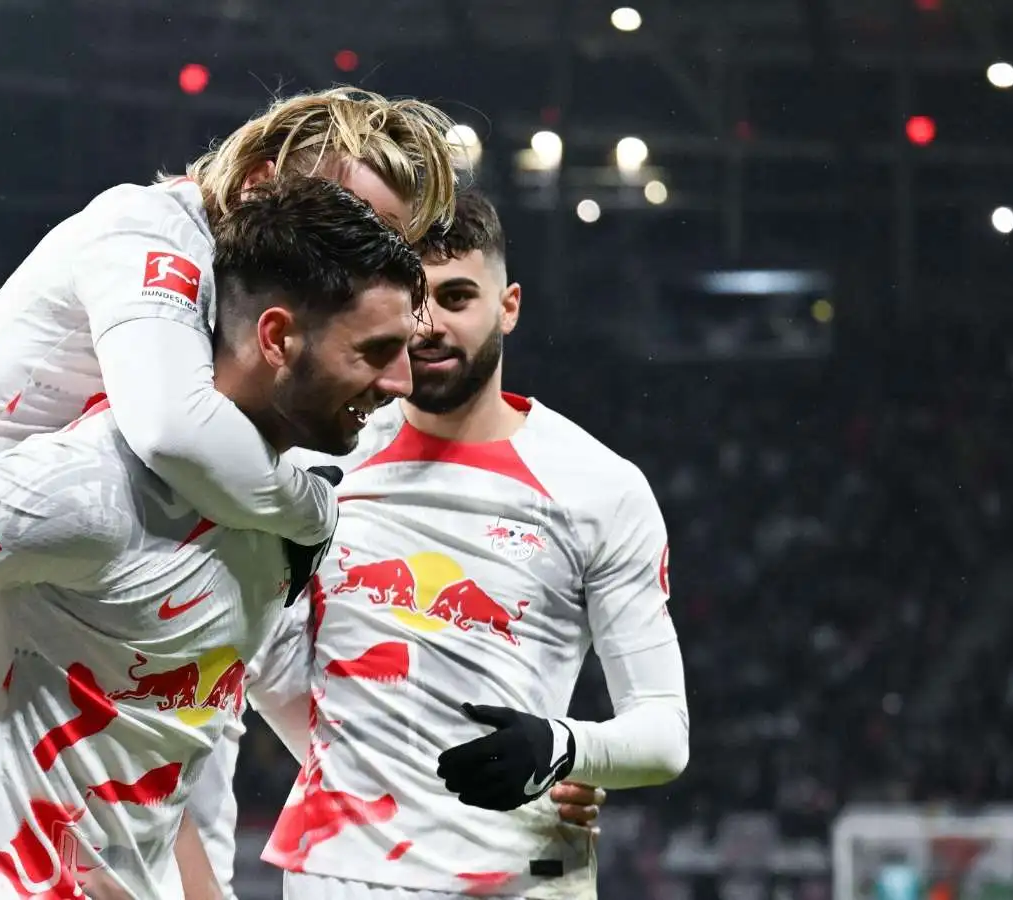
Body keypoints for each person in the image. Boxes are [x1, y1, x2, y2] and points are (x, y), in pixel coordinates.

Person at [0, 88, 460, 898]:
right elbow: (163, 435)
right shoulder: (151, 232)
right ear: (264, 181)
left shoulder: (286, 374)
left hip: (102, 655)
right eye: (350, 216)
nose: (366, 255)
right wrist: (311, 511)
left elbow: (278, 641)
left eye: (389, 241)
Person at [236, 188, 691, 898]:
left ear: (508, 305)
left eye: (456, 297)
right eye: (414, 301)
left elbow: (664, 735)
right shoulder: (322, 467)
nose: (430, 326)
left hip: (520, 877)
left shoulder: (599, 487)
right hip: (341, 876)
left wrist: (565, 749)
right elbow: (263, 662)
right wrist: (374, 772)